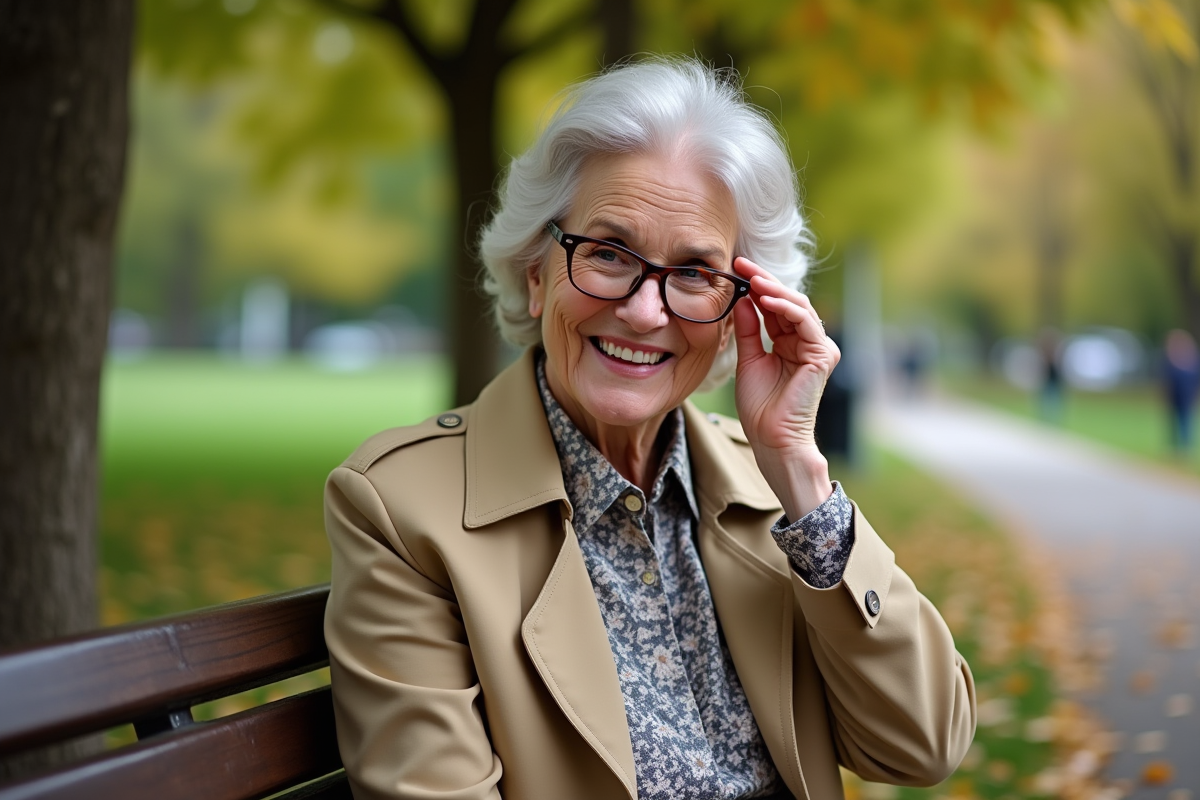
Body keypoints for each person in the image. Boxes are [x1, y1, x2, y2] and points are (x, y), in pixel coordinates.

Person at [324, 59, 976, 800]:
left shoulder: (774, 493)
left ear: (743, 311)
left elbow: (923, 745)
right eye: (607, 253)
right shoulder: (406, 508)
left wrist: (800, 473)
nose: (644, 311)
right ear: (538, 271)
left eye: (695, 272)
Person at [1163, 328, 1200, 455]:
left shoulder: (1192, 360)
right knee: (1173, 421)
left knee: (1186, 420)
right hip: (1174, 397)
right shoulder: (1171, 360)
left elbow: (1195, 380)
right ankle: (1175, 445)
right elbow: (1167, 380)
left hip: (1187, 396)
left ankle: (1186, 446)